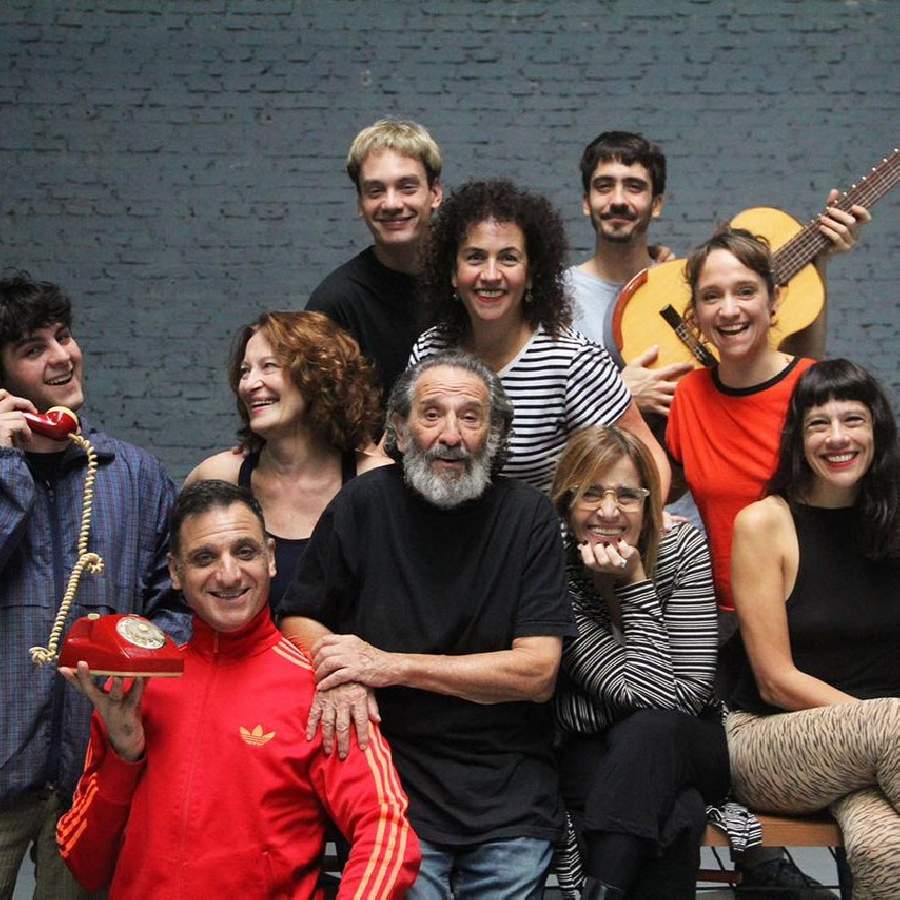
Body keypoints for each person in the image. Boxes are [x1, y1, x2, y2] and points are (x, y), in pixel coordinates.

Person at [279, 353, 576, 899]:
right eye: (432, 414)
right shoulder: (363, 504)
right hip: (388, 780)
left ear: (495, 434)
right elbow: (299, 617)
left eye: (471, 417)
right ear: (399, 428)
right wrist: (340, 672)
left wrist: (388, 667)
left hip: (507, 789)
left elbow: (537, 672)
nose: (451, 436)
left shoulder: (529, 516)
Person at [56, 479, 419, 898]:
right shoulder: (136, 688)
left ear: (270, 558)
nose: (228, 575)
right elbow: (84, 864)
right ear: (175, 572)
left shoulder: (322, 693)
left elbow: (386, 830)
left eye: (245, 552)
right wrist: (123, 757)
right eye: (204, 558)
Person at [0, 272, 188, 899]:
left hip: (90, 773)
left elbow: (175, 604)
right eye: (34, 349)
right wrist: (4, 466)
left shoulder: (135, 475)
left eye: (64, 336)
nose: (62, 356)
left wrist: (134, 669)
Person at [727, 359, 900, 899]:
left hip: (883, 752)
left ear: (877, 431)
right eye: (818, 424)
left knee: (885, 848)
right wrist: (876, 724)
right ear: (798, 441)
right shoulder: (765, 522)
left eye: (853, 420)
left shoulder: (894, 519)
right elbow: (775, 680)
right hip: (770, 740)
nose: (837, 437)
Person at [569, 129, 871, 415]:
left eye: (634, 187)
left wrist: (817, 260)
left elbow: (800, 371)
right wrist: (620, 396)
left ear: (657, 204)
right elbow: (543, 403)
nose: (618, 200)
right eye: (604, 186)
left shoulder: (695, 284)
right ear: (586, 202)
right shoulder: (556, 295)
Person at [551, 426, 727, 898]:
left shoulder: (681, 549)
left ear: (649, 505)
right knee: (680, 815)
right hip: (591, 750)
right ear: (566, 502)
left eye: (627, 495)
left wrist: (634, 582)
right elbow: (650, 694)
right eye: (591, 493)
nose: (609, 511)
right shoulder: (554, 564)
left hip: (688, 742)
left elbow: (681, 700)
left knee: (650, 729)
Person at [410, 178, 670, 498]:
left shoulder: (571, 360)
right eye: (475, 257)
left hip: (542, 530)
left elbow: (649, 458)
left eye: (508, 258)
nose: (490, 275)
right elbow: (397, 447)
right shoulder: (431, 348)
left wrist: (648, 518)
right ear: (453, 272)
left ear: (531, 274)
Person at [186, 310, 389, 610]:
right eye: (245, 371)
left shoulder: (377, 482)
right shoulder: (219, 475)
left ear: (317, 376)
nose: (249, 384)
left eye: (268, 366)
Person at [307, 118, 443, 403]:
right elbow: (319, 414)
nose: (391, 204)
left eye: (407, 187)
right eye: (375, 191)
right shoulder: (336, 304)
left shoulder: (470, 282)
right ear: (361, 204)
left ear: (435, 194)